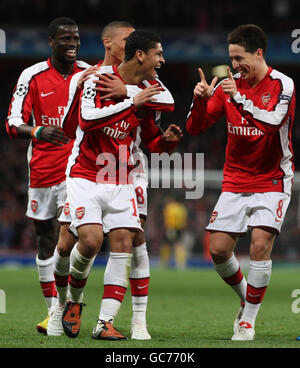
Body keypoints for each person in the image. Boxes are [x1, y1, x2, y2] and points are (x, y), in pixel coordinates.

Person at [50, 29, 181, 340]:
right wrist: (130, 100)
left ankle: (104, 323)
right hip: (85, 175)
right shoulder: (96, 79)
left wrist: (167, 142)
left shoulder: (148, 89)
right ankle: (72, 303)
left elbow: (152, 131)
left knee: (124, 244)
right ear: (141, 55)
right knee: (91, 242)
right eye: (158, 54)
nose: (162, 61)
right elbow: (87, 120)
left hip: (121, 178)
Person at [186, 24, 295, 341]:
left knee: (260, 245)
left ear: (258, 53)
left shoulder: (282, 84)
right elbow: (196, 127)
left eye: (238, 58)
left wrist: (240, 101)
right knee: (218, 251)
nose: (233, 65)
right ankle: (248, 295)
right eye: (231, 58)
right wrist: (200, 101)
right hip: (235, 178)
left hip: (273, 177)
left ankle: (247, 320)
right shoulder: (228, 86)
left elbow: (273, 124)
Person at [5, 17, 91, 334]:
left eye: (76, 38)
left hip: (78, 167)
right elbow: (12, 123)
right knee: (45, 239)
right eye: (66, 38)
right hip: (41, 169)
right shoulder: (33, 75)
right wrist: (38, 130)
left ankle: (71, 305)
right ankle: (53, 312)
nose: (73, 43)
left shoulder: (88, 73)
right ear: (51, 41)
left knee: (74, 236)